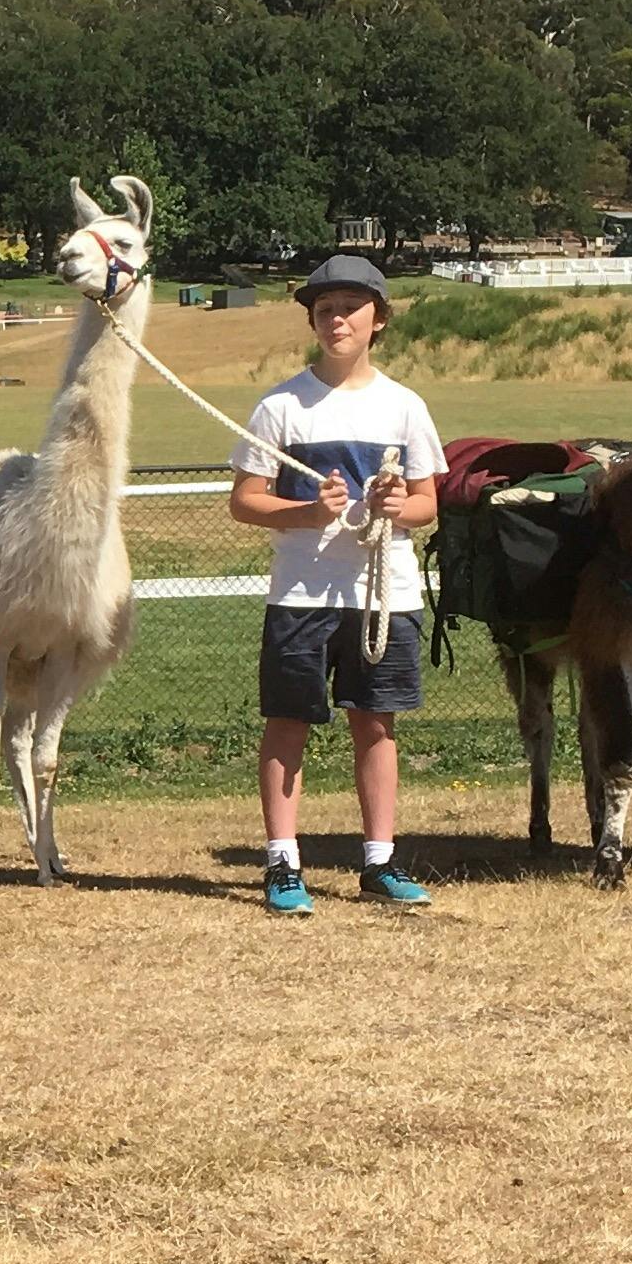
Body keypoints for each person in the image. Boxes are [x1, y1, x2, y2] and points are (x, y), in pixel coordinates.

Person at [229, 255, 443, 916]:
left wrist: (390, 508)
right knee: (287, 723)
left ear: (377, 319)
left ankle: (378, 861)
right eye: (324, 309)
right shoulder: (279, 407)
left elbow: (427, 501)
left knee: (375, 725)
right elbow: (244, 500)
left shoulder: (404, 408)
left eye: (350, 307)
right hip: (301, 595)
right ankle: (282, 862)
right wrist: (308, 513)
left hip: (383, 596)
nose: (336, 319)